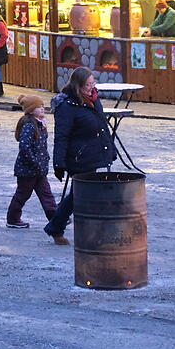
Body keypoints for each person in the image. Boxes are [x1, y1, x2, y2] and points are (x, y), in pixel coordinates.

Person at [43, 67, 116, 245]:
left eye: (93, 83)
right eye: (88, 85)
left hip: (94, 153)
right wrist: (59, 163)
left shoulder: (93, 100)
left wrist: (110, 150)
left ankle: (56, 227)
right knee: (82, 194)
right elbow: (62, 136)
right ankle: (63, 228)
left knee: (79, 194)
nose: (92, 87)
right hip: (79, 158)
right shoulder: (67, 106)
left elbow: (102, 128)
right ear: (78, 85)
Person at [6, 95, 57, 229]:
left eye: (42, 106)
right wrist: (34, 162)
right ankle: (12, 219)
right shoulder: (29, 125)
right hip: (27, 170)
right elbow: (24, 147)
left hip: (39, 169)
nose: (42, 109)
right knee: (22, 194)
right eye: (38, 107)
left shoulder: (40, 124)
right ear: (30, 110)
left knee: (46, 194)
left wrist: (44, 160)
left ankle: (56, 218)